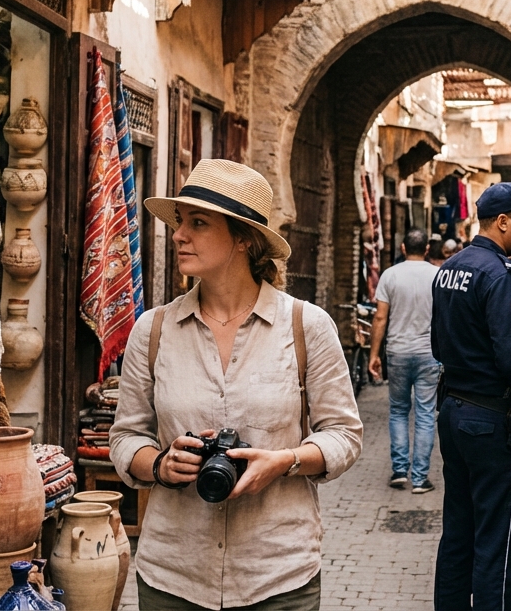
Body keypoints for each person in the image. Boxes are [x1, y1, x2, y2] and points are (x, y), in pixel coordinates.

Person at [110, 159, 364, 611]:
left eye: (198, 223)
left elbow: (344, 436)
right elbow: (127, 437)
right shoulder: (153, 330)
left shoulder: (307, 327)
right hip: (174, 576)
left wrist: (285, 461)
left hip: (277, 576)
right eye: (179, 222)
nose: (179, 234)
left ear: (244, 239)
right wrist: (160, 466)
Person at [431, 181, 511, 611]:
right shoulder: (502, 274)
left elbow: (438, 345)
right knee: (499, 540)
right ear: (503, 222)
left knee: (459, 532)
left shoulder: (450, 268)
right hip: (495, 422)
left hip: (454, 411)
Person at [368, 227, 441, 494]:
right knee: (424, 415)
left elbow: (380, 318)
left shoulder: (390, 275)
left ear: (402, 248)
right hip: (428, 354)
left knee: (398, 411)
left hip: (397, 352)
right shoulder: (437, 275)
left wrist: (373, 354)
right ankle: (420, 479)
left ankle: (400, 471)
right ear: (426, 250)